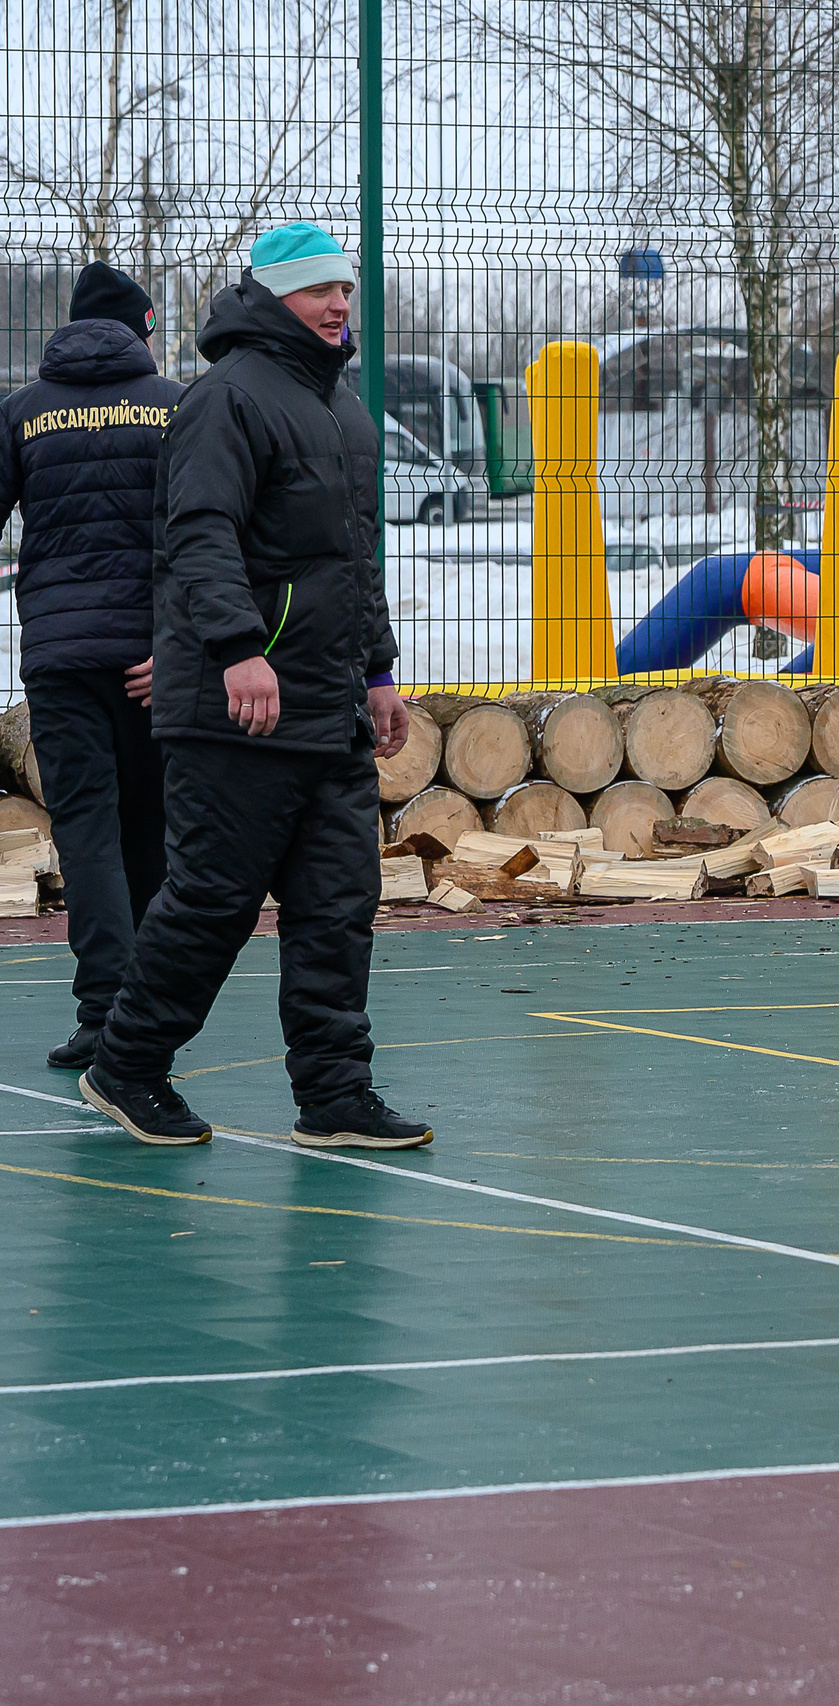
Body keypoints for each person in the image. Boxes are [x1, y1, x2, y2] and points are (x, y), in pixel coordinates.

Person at [78, 222, 431, 1151]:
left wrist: (378, 670)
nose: (338, 305)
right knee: (211, 903)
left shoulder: (343, 410)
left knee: (338, 904)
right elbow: (197, 535)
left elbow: (353, 561)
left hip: (328, 705)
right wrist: (239, 648)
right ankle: (126, 1065)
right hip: (237, 707)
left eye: (346, 291)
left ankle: (334, 1094)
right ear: (273, 297)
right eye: (319, 291)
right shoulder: (225, 401)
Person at [0, 264, 181, 1071]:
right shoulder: (177, 406)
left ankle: (102, 1012)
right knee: (150, 833)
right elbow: (211, 533)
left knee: (87, 833)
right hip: (156, 661)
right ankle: (148, 1013)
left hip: (62, 658)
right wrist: (181, 647)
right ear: (142, 328)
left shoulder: (23, 411)